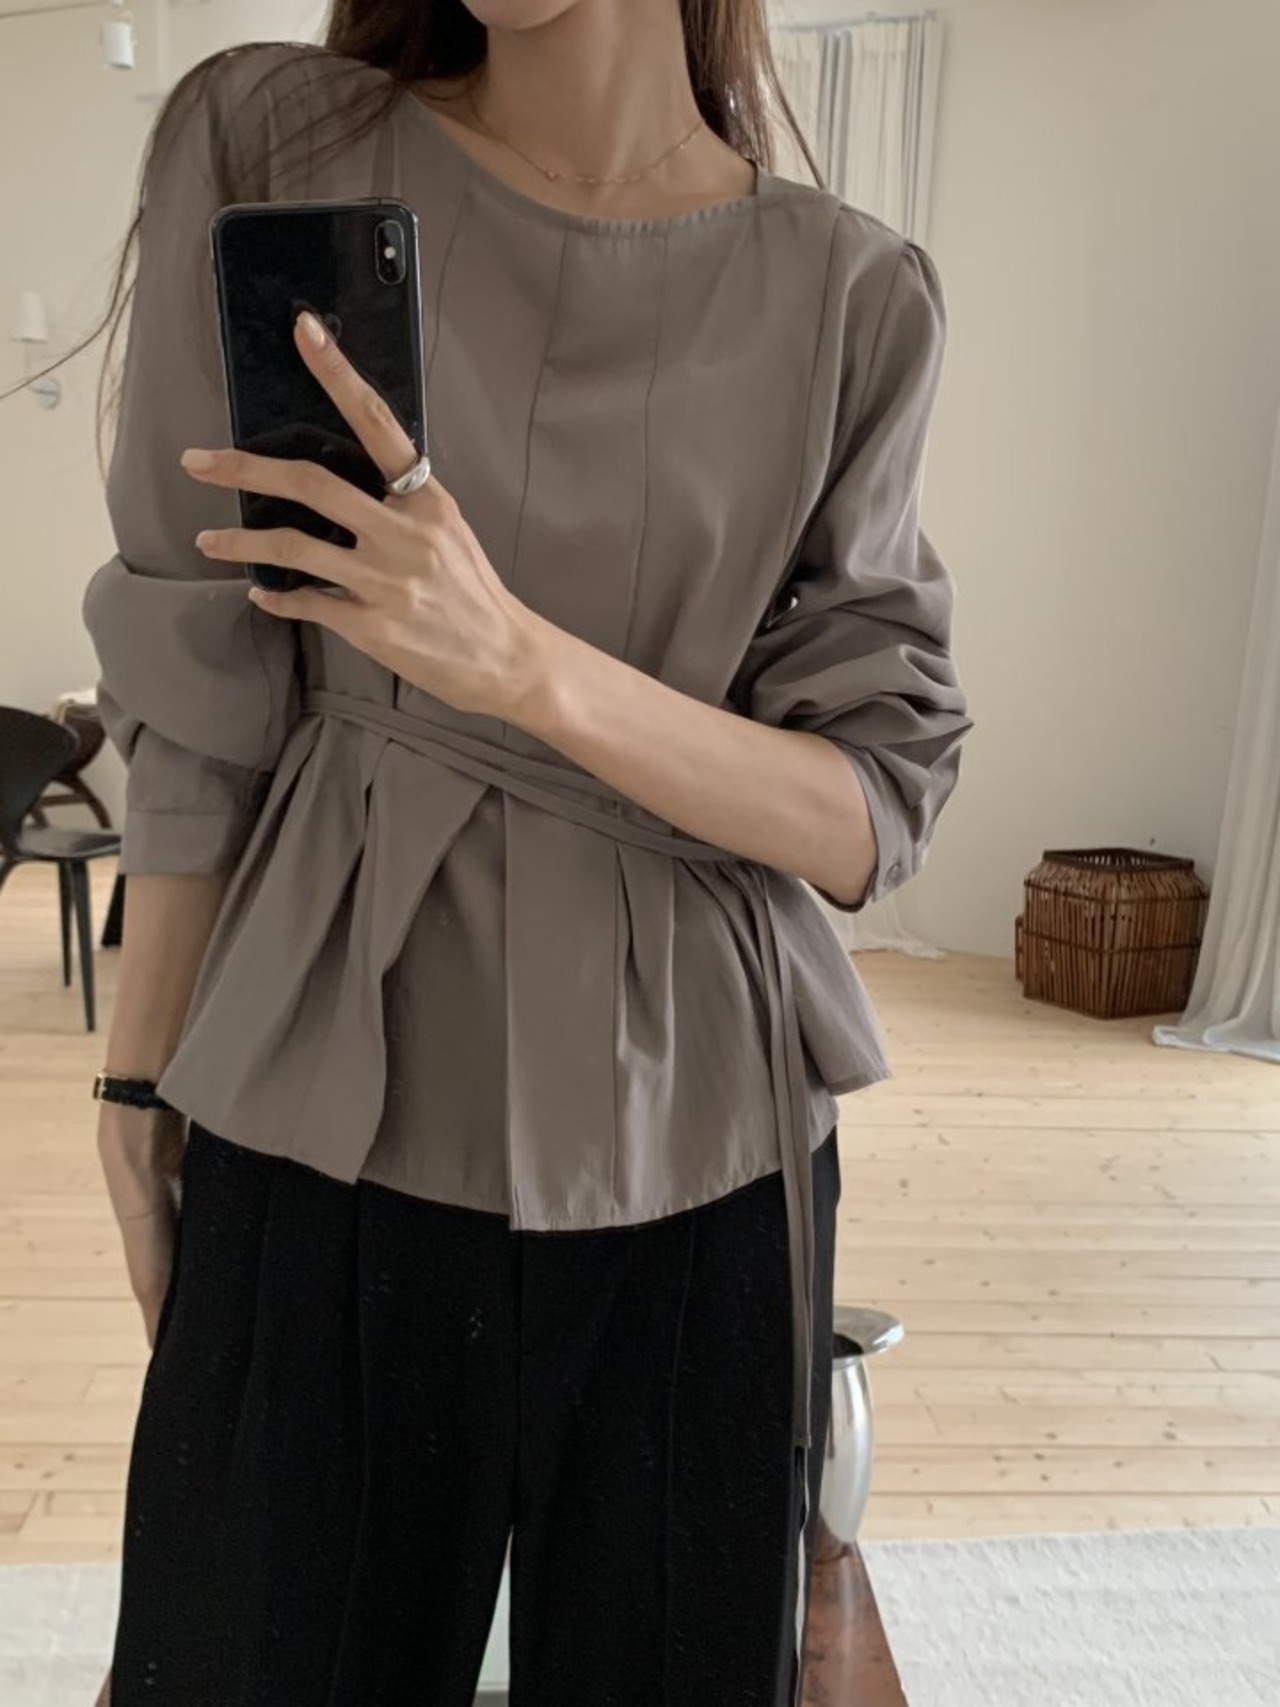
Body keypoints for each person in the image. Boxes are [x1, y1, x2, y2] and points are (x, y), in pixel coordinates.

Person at [79, 4, 972, 1703]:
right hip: (325, 1083)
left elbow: (870, 804)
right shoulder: (270, 144)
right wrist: (138, 1086)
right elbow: (200, 662)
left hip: (699, 1131)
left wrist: (523, 667)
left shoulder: (849, 291)